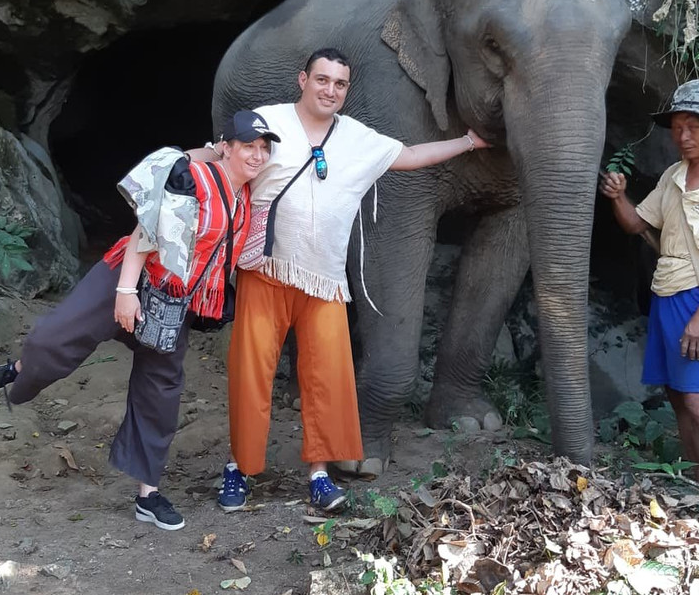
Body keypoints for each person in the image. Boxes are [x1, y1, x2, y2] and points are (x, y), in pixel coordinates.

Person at [192, 48, 491, 513]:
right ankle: (239, 468)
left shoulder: (356, 138)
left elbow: (410, 155)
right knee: (252, 376)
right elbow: (221, 154)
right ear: (302, 80)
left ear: (346, 90)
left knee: (327, 380)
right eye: (322, 80)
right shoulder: (268, 121)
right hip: (265, 271)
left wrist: (468, 142)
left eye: (339, 84)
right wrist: (174, 159)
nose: (330, 90)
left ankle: (319, 474)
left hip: (325, 281)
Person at [0, 110, 280, 530]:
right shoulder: (193, 178)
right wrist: (124, 293)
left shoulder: (246, 199)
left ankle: (147, 496)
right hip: (129, 278)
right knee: (55, 338)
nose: (258, 155)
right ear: (226, 146)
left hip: (173, 306)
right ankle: (21, 370)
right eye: (249, 145)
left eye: (264, 148)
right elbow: (147, 230)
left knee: (161, 393)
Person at [599, 79, 699, 491]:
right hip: (666, 295)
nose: (683, 137)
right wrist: (619, 197)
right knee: (678, 397)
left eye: (694, 127)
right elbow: (638, 224)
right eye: (677, 127)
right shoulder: (673, 175)